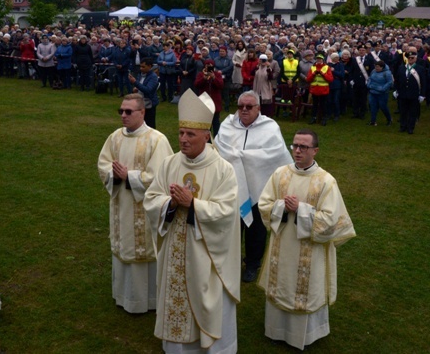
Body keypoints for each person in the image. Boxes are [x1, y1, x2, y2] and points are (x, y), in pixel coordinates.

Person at [144, 89, 241, 353]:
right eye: (180, 133)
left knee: (205, 299)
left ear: (206, 136)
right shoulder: (169, 163)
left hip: (206, 254)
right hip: (174, 246)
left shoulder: (223, 170)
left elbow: (227, 212)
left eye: (190, 135)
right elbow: (151, 198)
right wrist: (170, 204)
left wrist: (193, 204)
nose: (183, 140)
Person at [258, 129, 356, 350]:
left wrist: (300, 210)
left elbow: (330, 221)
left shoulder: (326, 181)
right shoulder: (280, 174)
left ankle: (303, 336)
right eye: (294, 146)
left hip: (309, 252)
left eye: (303, 147)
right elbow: (264, 205)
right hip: (282, 246)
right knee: (281, 285)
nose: (298, 150)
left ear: (315, 150)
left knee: (305, 290)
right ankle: (276, 330)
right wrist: (283, 207)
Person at [97, 93, 172, 313]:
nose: (123, 115)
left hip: (145, 210)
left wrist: (129, 176)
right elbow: (103, 164)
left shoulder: (157, 140)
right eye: (121, 111)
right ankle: (123, 295)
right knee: (123, 249)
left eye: (128, 111)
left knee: (144, 253)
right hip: (122, 204)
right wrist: (114, 175)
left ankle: (145, 301)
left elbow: (161, 177)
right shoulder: (115, 138)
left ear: (142, 112)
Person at [215, 91, 293, 284]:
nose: (244, 110)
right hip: (232, 187)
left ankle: (252, 263)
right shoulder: (227, 125)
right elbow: (218, 148)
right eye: (240, 106)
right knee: (231, 226)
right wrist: (240, 157)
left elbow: (275, 155)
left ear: (258, 108)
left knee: (255, 227)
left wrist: (240, 156)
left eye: (249, 107)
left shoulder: (270, 127)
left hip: (259, 187)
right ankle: (229, 261)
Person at [394, 49, 426, 134]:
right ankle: (403, 126)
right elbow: (397, 80)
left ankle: (410, 127)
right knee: (403, 111)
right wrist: (396, 90)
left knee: (412, 112)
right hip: (403, 93)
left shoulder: (420, 69)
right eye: (409, 58)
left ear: (416, 59)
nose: (410, 59)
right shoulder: (401, 68)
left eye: (412, 58)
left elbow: (423, 82)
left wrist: (422, 94)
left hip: (414, 94)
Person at [195, 59, 224, 136]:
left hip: (215, 101)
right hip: (204, 101)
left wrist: (214, 77)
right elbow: (196, 85)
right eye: (207, 66)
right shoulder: (201, 74)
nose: (209, 67)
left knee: (216, 121)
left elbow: (220, 85)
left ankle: (216, 137)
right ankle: (206, 139)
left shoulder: (217, 74)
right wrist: (204, 78)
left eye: (211, 66)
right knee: (205, 122)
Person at [129, 58, 160, 129]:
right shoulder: (141, 74)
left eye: (143, 67)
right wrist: (136, 89)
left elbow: (148, 90)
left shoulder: (153, 77)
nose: (141, 68)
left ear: (149, 66)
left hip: (149, 104)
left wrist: (135, 82)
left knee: (149, 125)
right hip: (140, 102)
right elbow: (141, 86)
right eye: (140, 66)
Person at [306, 53, 333, 125]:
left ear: (322, 60)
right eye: (317, 59)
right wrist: (314, 74)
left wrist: (322, 74)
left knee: (323, 105)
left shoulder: (327, 67)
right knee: (314, 105)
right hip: (315, 89)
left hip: (323, 90)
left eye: (320, 59)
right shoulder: (312, 68)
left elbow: (330, 79)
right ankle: (313, 117)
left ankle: (324, 118)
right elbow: (308, 79)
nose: (319, 60)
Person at [366, 60, 393, 126]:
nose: (376, 68)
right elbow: (370, 78)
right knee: (373, 107)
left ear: (382, 67)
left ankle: (389, 119)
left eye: (378, 67)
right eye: (375, 66)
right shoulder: (373, 71)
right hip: (373, 92)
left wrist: (382, 88)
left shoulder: (387, 73)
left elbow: (390, 82)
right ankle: (373, 121)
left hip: (382, 94)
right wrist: (369, 85)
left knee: (383, 106)